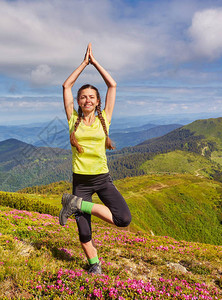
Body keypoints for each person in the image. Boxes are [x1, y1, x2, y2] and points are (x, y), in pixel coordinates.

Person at [59, 43, 132, 274]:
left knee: (123, 219)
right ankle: (94, 266)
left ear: (98, 101)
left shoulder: (105, 118)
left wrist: (95, 62)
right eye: (83, 97)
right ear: (78, 101)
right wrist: (83, 63)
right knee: (84, 231)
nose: (87, 100)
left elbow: (112, 84)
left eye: (91, 97)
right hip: (80, 181)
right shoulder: (72, 119)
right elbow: (66, 85)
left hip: (102, 179)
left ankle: (76, 204)